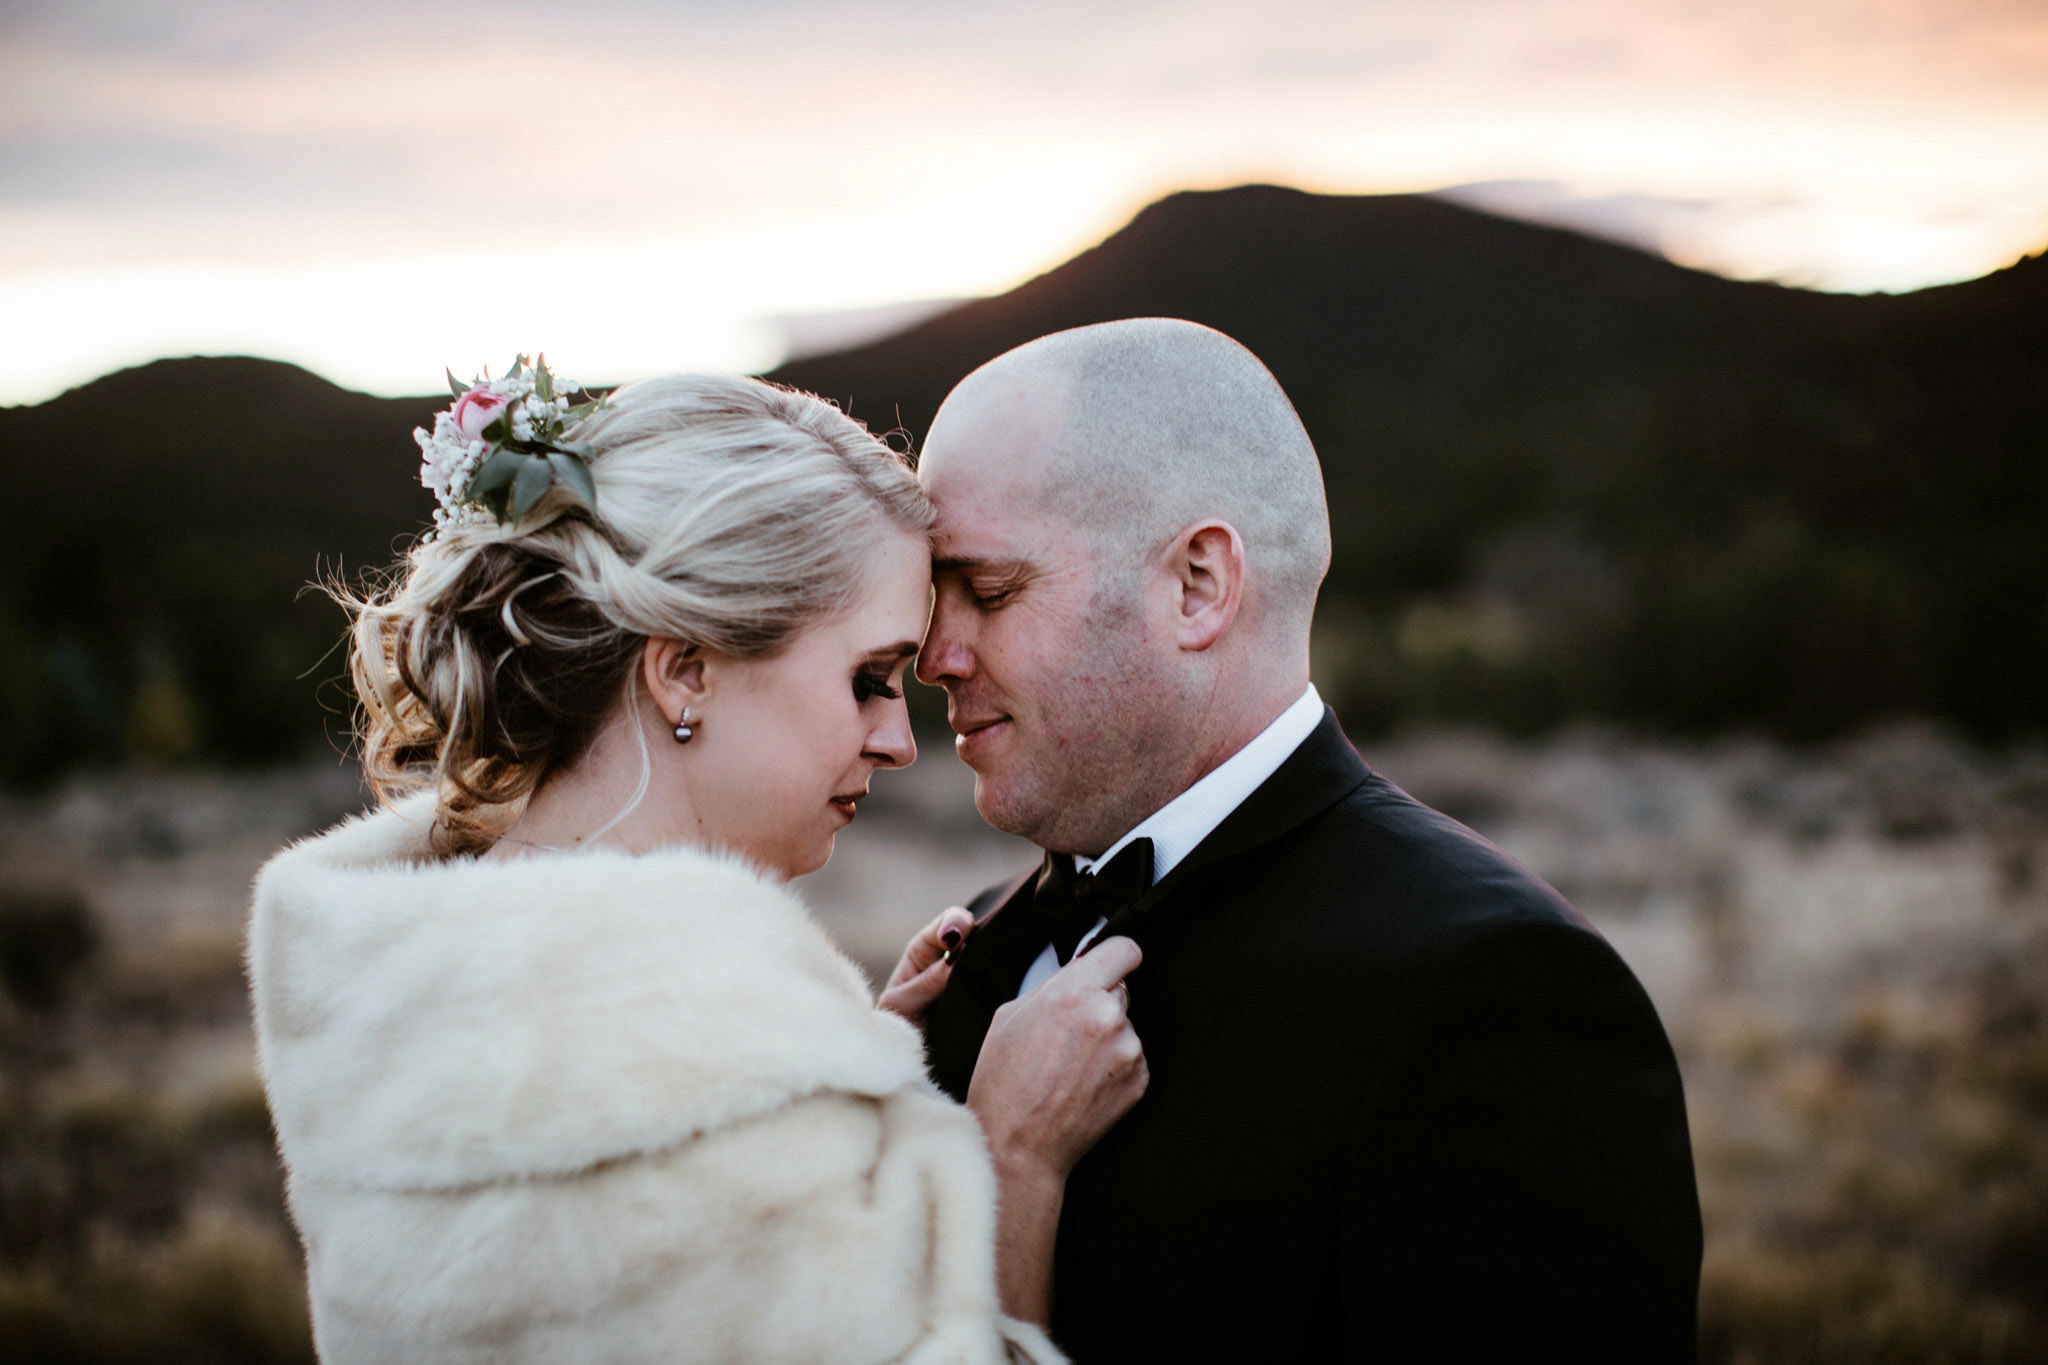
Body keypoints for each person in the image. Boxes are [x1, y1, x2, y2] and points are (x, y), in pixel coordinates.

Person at [246, 368, 1145, 1363]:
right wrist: (1011, 1163)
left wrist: (839, 1089)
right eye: (867, 679)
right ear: (684, 670)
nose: (897, 738)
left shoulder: (401, 976)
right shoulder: (700, 1052)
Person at [912, 319, 1704, 1361]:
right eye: (931, 598)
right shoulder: (962, 963)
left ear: (1197, 584)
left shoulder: (1494, 990)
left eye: (989, 590)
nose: (932, 656)